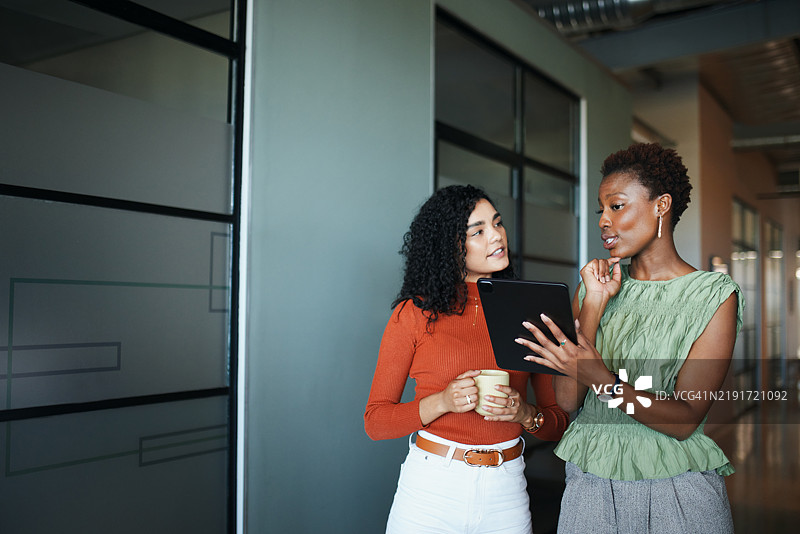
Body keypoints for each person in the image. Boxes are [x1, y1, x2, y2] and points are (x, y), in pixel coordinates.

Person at [517, 142, 743, 533]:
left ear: (661, 205)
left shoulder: (713, 295)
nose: (604, 220)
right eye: (600, 210)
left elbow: (685, 419)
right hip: (591, 483)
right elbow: (569, 399)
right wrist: (594, 303)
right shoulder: (592, 288)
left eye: (616, 206)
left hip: (677, 487)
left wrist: (600, 379)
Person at [364, 184, 570, 534]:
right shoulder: (413, 314)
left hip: (506, 491)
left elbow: (558, 424)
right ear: (451, 247)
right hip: (430, 490)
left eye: (498, 223)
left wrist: (525, 413)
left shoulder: (529, 310)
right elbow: (376, 421)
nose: (497, 236)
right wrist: (442, 401)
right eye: (479, 230)